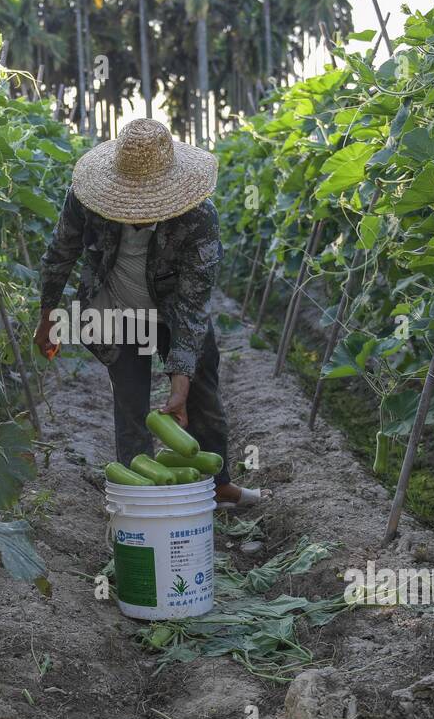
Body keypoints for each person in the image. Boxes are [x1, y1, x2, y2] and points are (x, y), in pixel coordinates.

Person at [33, 118, 266, 510]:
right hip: (113, 310)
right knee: (130, 400)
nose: (137, 212)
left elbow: (193, 306)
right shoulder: (86, 198)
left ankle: (219, 483)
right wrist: (47, 318)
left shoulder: (198, 218)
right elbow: (60, 253)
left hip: (173, 310)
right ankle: (140, 496)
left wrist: (180, 382)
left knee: (203, 393)